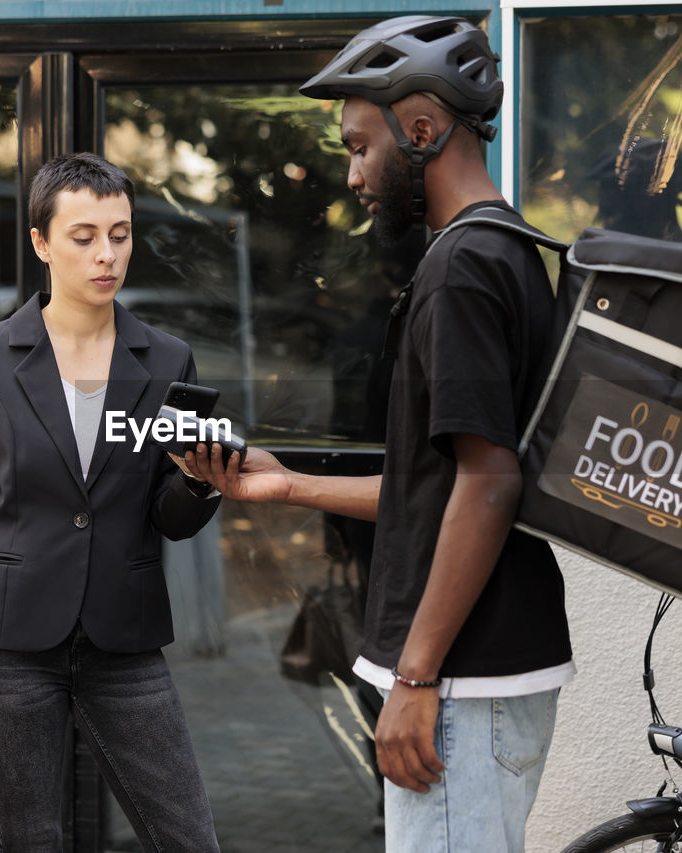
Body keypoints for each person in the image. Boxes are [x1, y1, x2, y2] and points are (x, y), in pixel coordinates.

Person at [187, 16, 573, 852]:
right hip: (480, 675)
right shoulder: (500, 251)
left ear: (422, 129)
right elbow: (433, 485)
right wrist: (285, 485)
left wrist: (416, 673)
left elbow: (490, 481)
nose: (353, 173)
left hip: (464, 682)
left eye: (360, 147)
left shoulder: (462, 269)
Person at [0, 152, 222, 852]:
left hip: (123, 641)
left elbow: (166, 513)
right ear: (42, 242)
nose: (107, 254)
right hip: (3, 644)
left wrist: (197, 481)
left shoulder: (167, 359)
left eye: (121, 233)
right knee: (31, 840)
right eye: (84, 236)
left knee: (188, 838)